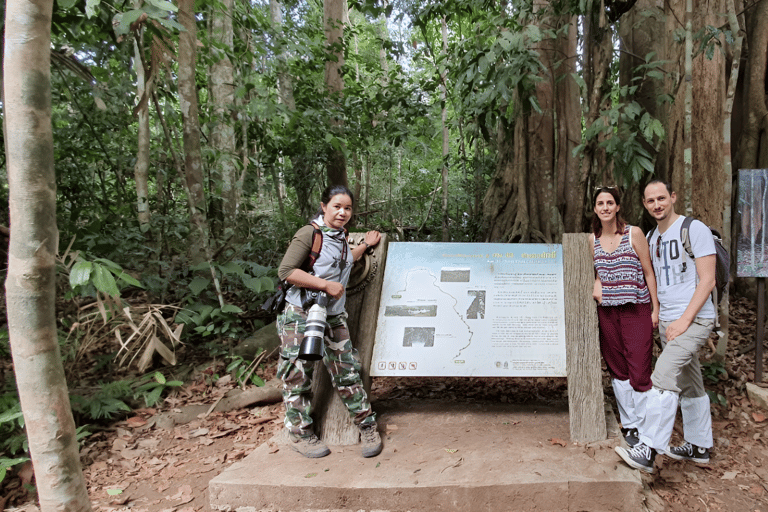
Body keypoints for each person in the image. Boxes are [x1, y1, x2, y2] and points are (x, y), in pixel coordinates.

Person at [616, 180, 717, 473]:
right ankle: (699, 446)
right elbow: (655, 280)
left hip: (693, 319)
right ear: (645, 205)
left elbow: (707, 280)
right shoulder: (652, 237)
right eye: (650, 201)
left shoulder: (693, 229)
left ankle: (647, 449)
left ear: (672, 197)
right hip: (669, 320)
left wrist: (684, 321)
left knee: (662, 376)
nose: (657, 204)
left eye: (662, 198)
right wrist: (657, 314)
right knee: (689, 382)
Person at [276, 184, 383, 459]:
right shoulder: (309, 233)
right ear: (324, 207)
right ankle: (300, 435)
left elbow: (344, 261)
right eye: (337, 206)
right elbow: (286, 271)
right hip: (301, 314)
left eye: (347, 208)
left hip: (333, 315)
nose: (342, 212)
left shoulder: (340, 236)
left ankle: (367, 426)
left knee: (347, 369)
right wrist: (324, 285)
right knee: (297, 374)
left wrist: (365, 246)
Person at [591, 187, 658, 449]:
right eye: (600, 203)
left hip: (636, 308)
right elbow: (596, 269)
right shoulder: (592, 239)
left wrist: (656, 308)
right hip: (608, 311)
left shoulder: (634, 233)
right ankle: (630, 424)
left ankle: (645, 426)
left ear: (618, 206)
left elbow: (648, 272)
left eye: (610, 203)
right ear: (595, 208)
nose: (605, 207)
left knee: (639, 368)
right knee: (617, 368)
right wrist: (597, 281)